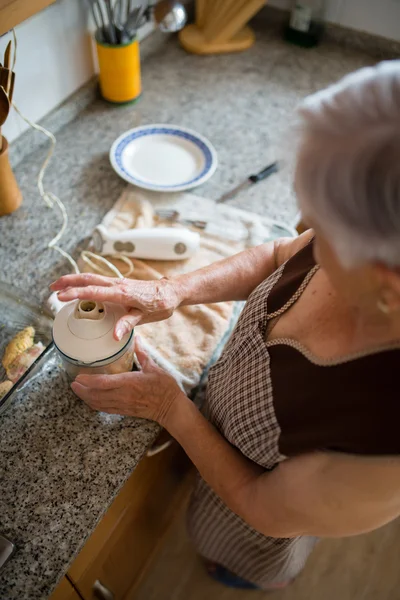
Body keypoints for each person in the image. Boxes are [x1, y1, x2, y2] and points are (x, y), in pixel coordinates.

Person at [51, 60, 400, 591]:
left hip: (248, 517)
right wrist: (173, 290)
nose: (301, 226)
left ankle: (237, 577)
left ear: (387, 286)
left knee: (230, 551)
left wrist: (171, 407)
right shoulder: (367, 249)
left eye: (319, 225)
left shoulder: (382, 446)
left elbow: (263, 507)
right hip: (219, 423)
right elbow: (281, 253)